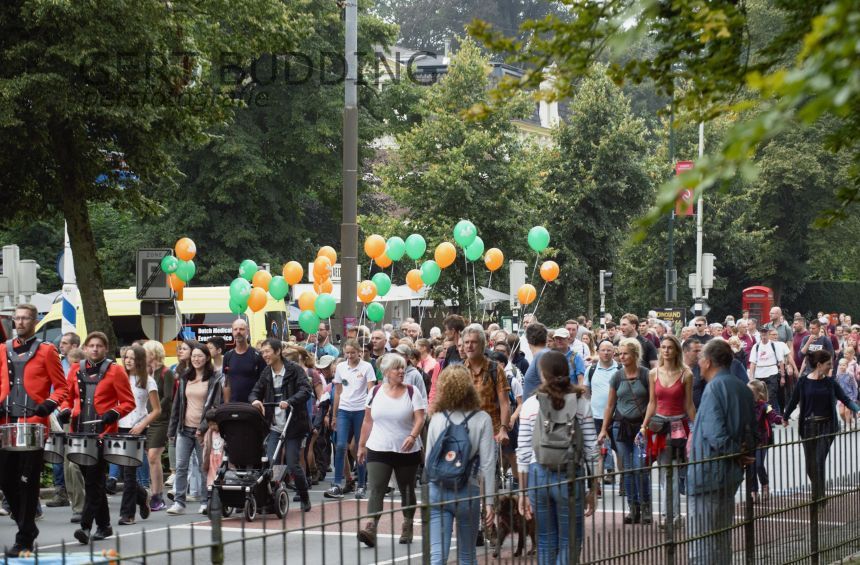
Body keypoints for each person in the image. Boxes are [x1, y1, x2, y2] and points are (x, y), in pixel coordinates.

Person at [0, 304, 68, 556]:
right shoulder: (3, 349)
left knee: (27, 483)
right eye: (17, 318)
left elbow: (62, 388)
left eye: (25, 318)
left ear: (34, 322)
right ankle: (27, 526)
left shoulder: (47, 351)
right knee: (5, 479)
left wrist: (49, 404)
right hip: (6, 423)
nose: (20, 322)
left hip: (33, 424)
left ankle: (24, 538)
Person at [517, 350, 598, 562]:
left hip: (538, 474)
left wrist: (523, 491)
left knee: (545, 539)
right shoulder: (580, 402)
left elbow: (523, 451)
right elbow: (591, 448)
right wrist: (593, 486)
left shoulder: (531, 404)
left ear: (542, 374)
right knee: (570, 539)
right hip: (570, 474)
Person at [61, 331, 136, 546]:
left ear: (106, 348)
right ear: (85, 348)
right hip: (79, 433)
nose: (95, 349)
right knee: (93, 482)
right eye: (91, 345)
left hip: (103, 434)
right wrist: (65, 410)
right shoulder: (76, 369)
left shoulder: (116, 371)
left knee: (93, 480)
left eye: (99, 346)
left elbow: (128, 402)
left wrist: (114, 413)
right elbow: (67, 397)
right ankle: (105, 525)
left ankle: (85, 526)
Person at [686, 339, 755, 564]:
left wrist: (736, 452)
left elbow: (714, 433)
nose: (698, 363)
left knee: (702, 542)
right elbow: (751, 431)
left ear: (707, 362)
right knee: (722, 538)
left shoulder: (713, 388)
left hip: (708, 472)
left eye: (700, 359)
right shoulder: (742, 387)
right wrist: (743, 452)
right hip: (730, 473)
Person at [426, 366, 497, 565]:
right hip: (467, 489)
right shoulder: (482, 419)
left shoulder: (437, 418)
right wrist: (489, 501)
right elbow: (488, 464)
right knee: (467, 555)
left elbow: (429, 460)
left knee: (437, 556)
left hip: (438, 489)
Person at [356, 354, 427, 546]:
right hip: (378, 447)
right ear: (386, 372)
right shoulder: (375, 391)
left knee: (407, 489)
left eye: (403, 368)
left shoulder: (412, 391)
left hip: (406, 450)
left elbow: (420, 418)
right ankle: (371, 527)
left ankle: (407, 524)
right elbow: (367, 420)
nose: (401, 371)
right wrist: (361, 445)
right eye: (397, 368)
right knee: (376, 488)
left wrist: (412, 436)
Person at [783, 349, 860, 501]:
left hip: (827, 426)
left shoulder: (830, 382)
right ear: (819, 365)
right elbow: (793, 400)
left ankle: (818, 496)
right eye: (828, 364)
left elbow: (845, 398)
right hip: (808, 427)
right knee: (810, 466)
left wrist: (857, 409)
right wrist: (785, 417)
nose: (831, 366)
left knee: (819, 461)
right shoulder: (803, 382)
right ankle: (818, 491)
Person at [250, 338, 313, 512]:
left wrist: (290, 401)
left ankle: (304, 495)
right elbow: (256, 391)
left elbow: (306, 390)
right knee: (273, 463)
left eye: (267, 351)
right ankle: (274, 497)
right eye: (262, 352)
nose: (264, 355)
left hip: (293, 424)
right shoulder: (266, 373)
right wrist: (255, 400)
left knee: (292, 463)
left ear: (278, 352)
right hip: (275, 425)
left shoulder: (294, 370)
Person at [642, 335, 696, 530]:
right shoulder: (653, 373)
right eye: (663, 347)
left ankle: (672, 515)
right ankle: (669, 514)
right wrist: (644, 425)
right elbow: (652, 402)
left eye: (670, 347)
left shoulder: (686, 374)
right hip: (658, 425)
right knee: (666, 471)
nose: (666, 350)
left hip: (678, 425)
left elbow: (689, 404)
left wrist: (697, 427)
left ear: (676, 351)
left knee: (673, 469)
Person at [167, 343, 226, 515]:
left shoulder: (214, 379)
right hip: (184, 429)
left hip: (203, 431)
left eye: (200, 356)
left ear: (207, 358)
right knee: (181, 466)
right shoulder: (185, 377)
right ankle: (179, 502)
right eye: (193, 356)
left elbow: (215, 406)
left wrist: (203, 428)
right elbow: (177, 405)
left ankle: (205, 501)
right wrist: (172, 430)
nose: (196, 359)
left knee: (203, 467)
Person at [597, 338, 652, 525]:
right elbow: (610, 405)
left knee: (640, 467)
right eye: (619, 354)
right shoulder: (617, 376)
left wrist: (646, 425)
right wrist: (603, 429)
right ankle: (633, 507)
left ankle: (646, 506)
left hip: (641, 428)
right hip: (620, 427)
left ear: (635, 354)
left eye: (625, 353)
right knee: (627, 469)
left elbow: (653, 402)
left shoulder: (646, 374)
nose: (621, 357)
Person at [325, 339, 377, 500]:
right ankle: (337, 484)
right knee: (340, 445)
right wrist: (334, 415)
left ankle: (361, 484)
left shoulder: (367, 367)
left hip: (361, 410)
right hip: (344, 410)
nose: (349, 356)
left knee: (359, 447)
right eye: (347, 353)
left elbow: (371, 390)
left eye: (352, 353)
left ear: (359, 352)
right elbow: (337, 392)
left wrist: (370, 411)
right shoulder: (341, 367)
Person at [117, 345, 160, 525]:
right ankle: (142, 496)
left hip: (137, 429)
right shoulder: (119, 377)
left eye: (132, 358)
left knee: (129, 473)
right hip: (118, 427)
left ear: (140, 361)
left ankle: (127, 515)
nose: (128, 361)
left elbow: (157, 410)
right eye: (126, 357)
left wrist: (142, 425)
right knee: (123, 471)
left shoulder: (148, 381)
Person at [142, 340, 174, 512]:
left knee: (154, 456)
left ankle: (158, 495)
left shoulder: (166, 372)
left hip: (161, 419)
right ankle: (155, 493)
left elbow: (168, 397)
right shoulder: (148, 373)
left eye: (146, 352)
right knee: (151, 457)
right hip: (147, 419)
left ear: (153, 353)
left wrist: (155, 411)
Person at [586, 339, 620, 484]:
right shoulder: (591, 370)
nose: (606, 353)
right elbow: (586, 392)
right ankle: (597, 484)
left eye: (609, 350)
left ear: (614, 352)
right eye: (603, 350)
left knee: (618, 450)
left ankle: (622, 481)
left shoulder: (620, 369)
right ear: (598, 352)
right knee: (598, 450)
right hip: (596, 416)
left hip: (616, 417)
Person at [746, 380, 783, 503]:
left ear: (758, 394)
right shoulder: (745, 405)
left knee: (758, 464)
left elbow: (773, 415)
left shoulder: (765, 406)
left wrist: (781, 419)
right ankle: (754, 491)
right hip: (750, 440)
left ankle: (765, 485)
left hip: (762, 440)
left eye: (750, 392)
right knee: (751, 466)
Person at [222, 318, 264, 403]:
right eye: (235, 329)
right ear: (232, 332)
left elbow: (264, 383)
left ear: (247, 331)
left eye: (241, 329)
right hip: (234, 405)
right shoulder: (228, 356)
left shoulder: (257, 355)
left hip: (252, 404)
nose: (238, 332)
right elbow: (227, 383)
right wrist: (226, 405)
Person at [748, 328, 787, 414]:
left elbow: (781, 361)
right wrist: (751, 377)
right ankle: (762, 415)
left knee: (771, 397)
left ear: (768, 335)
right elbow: (752, 363)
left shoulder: (774, 345)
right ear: (760, 335)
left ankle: (770, 415)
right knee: (759, 397)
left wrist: (782, 376)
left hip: (772, 373)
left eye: (765, 334)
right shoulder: (756, 346)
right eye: (762, 335)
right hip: (759, 374)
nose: (764, 336)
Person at [522, 322, 550, 399]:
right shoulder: (544, 354)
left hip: (538, 405)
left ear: (528, 339)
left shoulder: (541, 355)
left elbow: (548, 386)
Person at [835, 358, 858, 429]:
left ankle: (848, 425)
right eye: (840, 365)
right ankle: (850, 421)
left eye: (843, 365)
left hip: (849, 396)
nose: (842, 366)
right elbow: (836, 388)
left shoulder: (850, 375)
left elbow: (854, 387)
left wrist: (854, 398)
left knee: (847, 411)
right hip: (841, 397)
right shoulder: (838, 376)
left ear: (847, 366)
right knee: (841, 413)